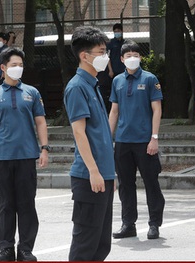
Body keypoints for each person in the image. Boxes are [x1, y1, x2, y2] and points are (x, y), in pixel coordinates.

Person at [0, 47, 48, 261]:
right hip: (1, 157)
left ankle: (26, 249)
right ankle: (6, 248)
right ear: (3, 67)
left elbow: (40, 121)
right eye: (13, 65)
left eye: (20, 65)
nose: (18, 68)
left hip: (27, 156)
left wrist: (44, 148)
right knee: (6, 205)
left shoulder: (32, 93)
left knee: (27, 204)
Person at [63, 26, 115, 261]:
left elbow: (100, 135)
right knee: (86, 242)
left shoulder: (92, 84)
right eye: (101, 51)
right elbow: (79, 132)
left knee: (101, 243)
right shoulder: (77, 87)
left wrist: (109, 173)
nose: (106, 57)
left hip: (103, 174)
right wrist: (94, 171)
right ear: (85, 56)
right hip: (88, 176)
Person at [109, 41, 165, 240]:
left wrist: (154, 138)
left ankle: (154, 223)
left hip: (144, 141)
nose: (132, 58)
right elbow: (114, 111)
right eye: (128, 55)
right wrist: (109, 139)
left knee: (151, 183)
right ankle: (128, 223)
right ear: (121, 59)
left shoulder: (150, 79)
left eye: (135, 54)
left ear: (140, 57)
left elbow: (157, 109)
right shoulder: (117, 81)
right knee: (125, 184)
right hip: (123, 141)